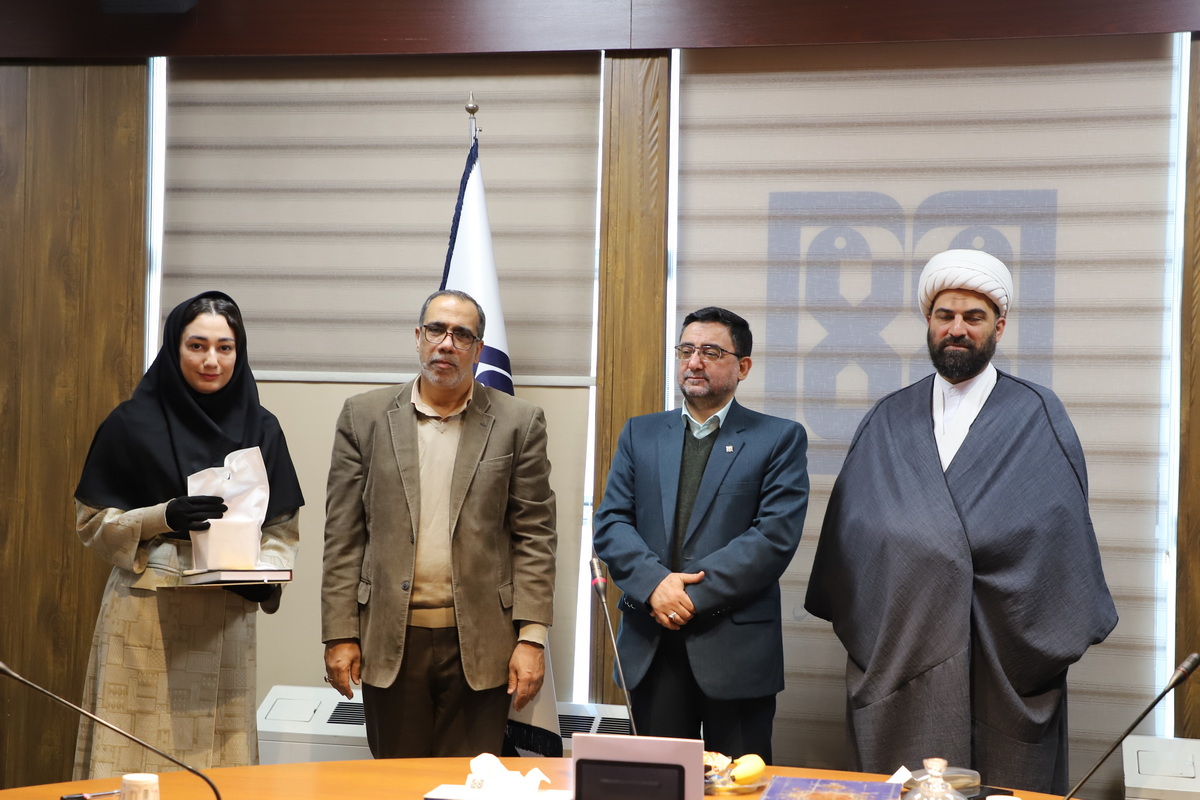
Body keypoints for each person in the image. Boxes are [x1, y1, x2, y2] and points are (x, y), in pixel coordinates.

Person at [804, 249, 1117, 793]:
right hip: (902, 650)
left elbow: (1059, 541)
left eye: (974, 317)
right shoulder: (887, 416)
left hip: (1002, 657)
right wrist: (919, 572)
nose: (957, 329)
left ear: (999, 326)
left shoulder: (1037, 412)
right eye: (945, 315)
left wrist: (958, 560)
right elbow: (850, 544)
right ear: (928, 321)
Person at [73, 290, 304, 779]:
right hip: (144, 617)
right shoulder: (130, 423)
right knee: (133, 756)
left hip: (225, 615)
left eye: (225, 347)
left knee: (218, 765)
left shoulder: (263, 428)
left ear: (239, 352)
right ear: (174, 347)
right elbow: (91, 524)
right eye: (197, 345)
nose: (211, 360)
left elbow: (282, 532)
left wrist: (261, 577)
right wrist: (163, 516)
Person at [321, 289, 557, 758]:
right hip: (391, 640)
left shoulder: (519, 421)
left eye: (461, 335)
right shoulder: (363, 416)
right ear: (418, 337)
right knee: (397, 784)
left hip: (482, 643)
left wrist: (531, 638)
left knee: (469, 783)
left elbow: (535, 536)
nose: (446, 343)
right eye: (436, 330)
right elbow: (343, 535)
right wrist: (339, 633)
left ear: (478, 349)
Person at [592, 306, 809, 763]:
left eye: (711, 352)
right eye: (686, 350)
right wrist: (656, 585)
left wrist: (684, 596)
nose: (694, 362)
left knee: (740, 786)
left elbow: (772, 538)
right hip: (653, 646)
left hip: (736, 651)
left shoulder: (779, 438)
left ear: (742, 366)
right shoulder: (641, 433)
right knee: (657, 784)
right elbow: (611, 522)